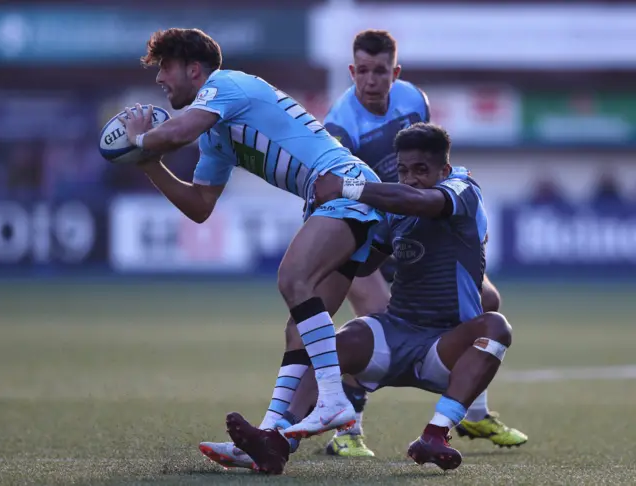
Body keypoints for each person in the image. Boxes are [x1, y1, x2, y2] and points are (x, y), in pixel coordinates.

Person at [118, 28, 385, 442]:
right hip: (331, 202)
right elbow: (200, 205)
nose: (159, 79)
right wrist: (148, 163)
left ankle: (334, 398)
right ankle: (272, 436)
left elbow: (175, 133)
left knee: (292, 279)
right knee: (299, 328)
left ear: (194, 69)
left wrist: (137, 138)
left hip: (347, 188)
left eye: (165, 67)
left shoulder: (225, 85)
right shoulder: (214, 133)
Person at [223, 123, 514, 475]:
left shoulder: (463, 190)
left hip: (444, 346)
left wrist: (346, 187)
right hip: (395, 334)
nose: (411, 179)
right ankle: (278, 443)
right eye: (404, 171)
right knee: (329, 344)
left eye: (422, 170)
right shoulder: (397, 211)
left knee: (496, 327)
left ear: (444, 170)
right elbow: (365, 266)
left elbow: (419, 200)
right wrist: (330, 235)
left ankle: (435, 434)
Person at [321, 29, 526, 456]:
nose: (372, 80)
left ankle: (472, 414)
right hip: (370, 227)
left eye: (380, 71)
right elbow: (342, 193)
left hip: (418, 220)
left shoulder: (414, 98)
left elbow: (425, 155)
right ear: (351, 71)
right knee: (377, 327)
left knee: (487, 301)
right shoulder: (340, 125)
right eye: (363, 71)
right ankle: (348, 430)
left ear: (394, 72)